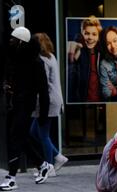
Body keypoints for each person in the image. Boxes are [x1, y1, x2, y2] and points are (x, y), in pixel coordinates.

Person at [0, 26, 52, 191]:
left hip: (25, 104)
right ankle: (42, 164)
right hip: (15, 103)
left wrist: (43, 114)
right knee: (20, 137)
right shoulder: (15, 58)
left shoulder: (36, 62)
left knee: (16, 137)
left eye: (13, 39)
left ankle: (12, 177)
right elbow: (13, 79)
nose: (10, 41)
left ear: (21, 41)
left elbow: (43, 91)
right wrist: (8, 86)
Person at [30, 33, 68, 174]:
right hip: (53, 99)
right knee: (34, 132)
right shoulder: (51, 56)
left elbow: (42, 83)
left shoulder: (42, 60)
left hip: (47, 101)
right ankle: (58, 156)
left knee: (43, 135)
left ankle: (49, 167)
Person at [67, 16, 103, 103]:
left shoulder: (102, 52)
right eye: (87, 33)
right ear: (82, 34)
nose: (90, 37)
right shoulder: (78, 51)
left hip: (100, 101)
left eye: (94, 34)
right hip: (81, 101)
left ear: (98, 37)